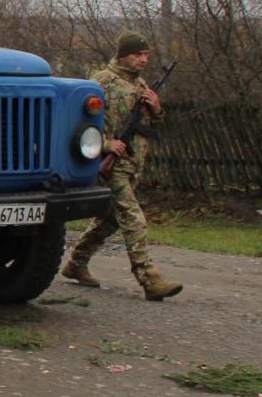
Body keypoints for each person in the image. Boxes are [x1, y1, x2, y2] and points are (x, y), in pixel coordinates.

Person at [61, 31, 183, 300]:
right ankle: (149, 280)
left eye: (146, 55)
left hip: (133, 165)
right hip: (112, 166)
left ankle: (76, 264)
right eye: (138, 54)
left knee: (110, 221)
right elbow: (78, 124)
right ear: (123, 55)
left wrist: (156, 108)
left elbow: (155, 126)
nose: (143, 60)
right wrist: (106, 144)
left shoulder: (141, 85)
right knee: (133, 219)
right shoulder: (100, 83)